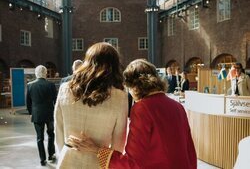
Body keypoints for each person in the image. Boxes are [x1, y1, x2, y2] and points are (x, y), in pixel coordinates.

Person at [68, 59, 197, 169]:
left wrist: (97, 150)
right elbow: (190, 154)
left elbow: (132, 164)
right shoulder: (177, 107)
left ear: (134, 86)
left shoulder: (142, 108)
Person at [54, 42, 128, 169]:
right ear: (114, 66)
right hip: (99, 163)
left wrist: (64, 154)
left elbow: (58, 130)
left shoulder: (64, 89)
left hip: (67, 160)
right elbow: (118, 144)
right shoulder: (120, 97)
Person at [26, 65, 57, 166]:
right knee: (51, 134)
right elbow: (55, 100)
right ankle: (51, 154)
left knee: (39, 138)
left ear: (36, 73)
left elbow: (28, 102)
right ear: (45, 73)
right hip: (49, 114)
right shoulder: (51, 85)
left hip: (37, 114)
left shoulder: (30, 85)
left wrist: (31, 113)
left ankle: (42, 159)